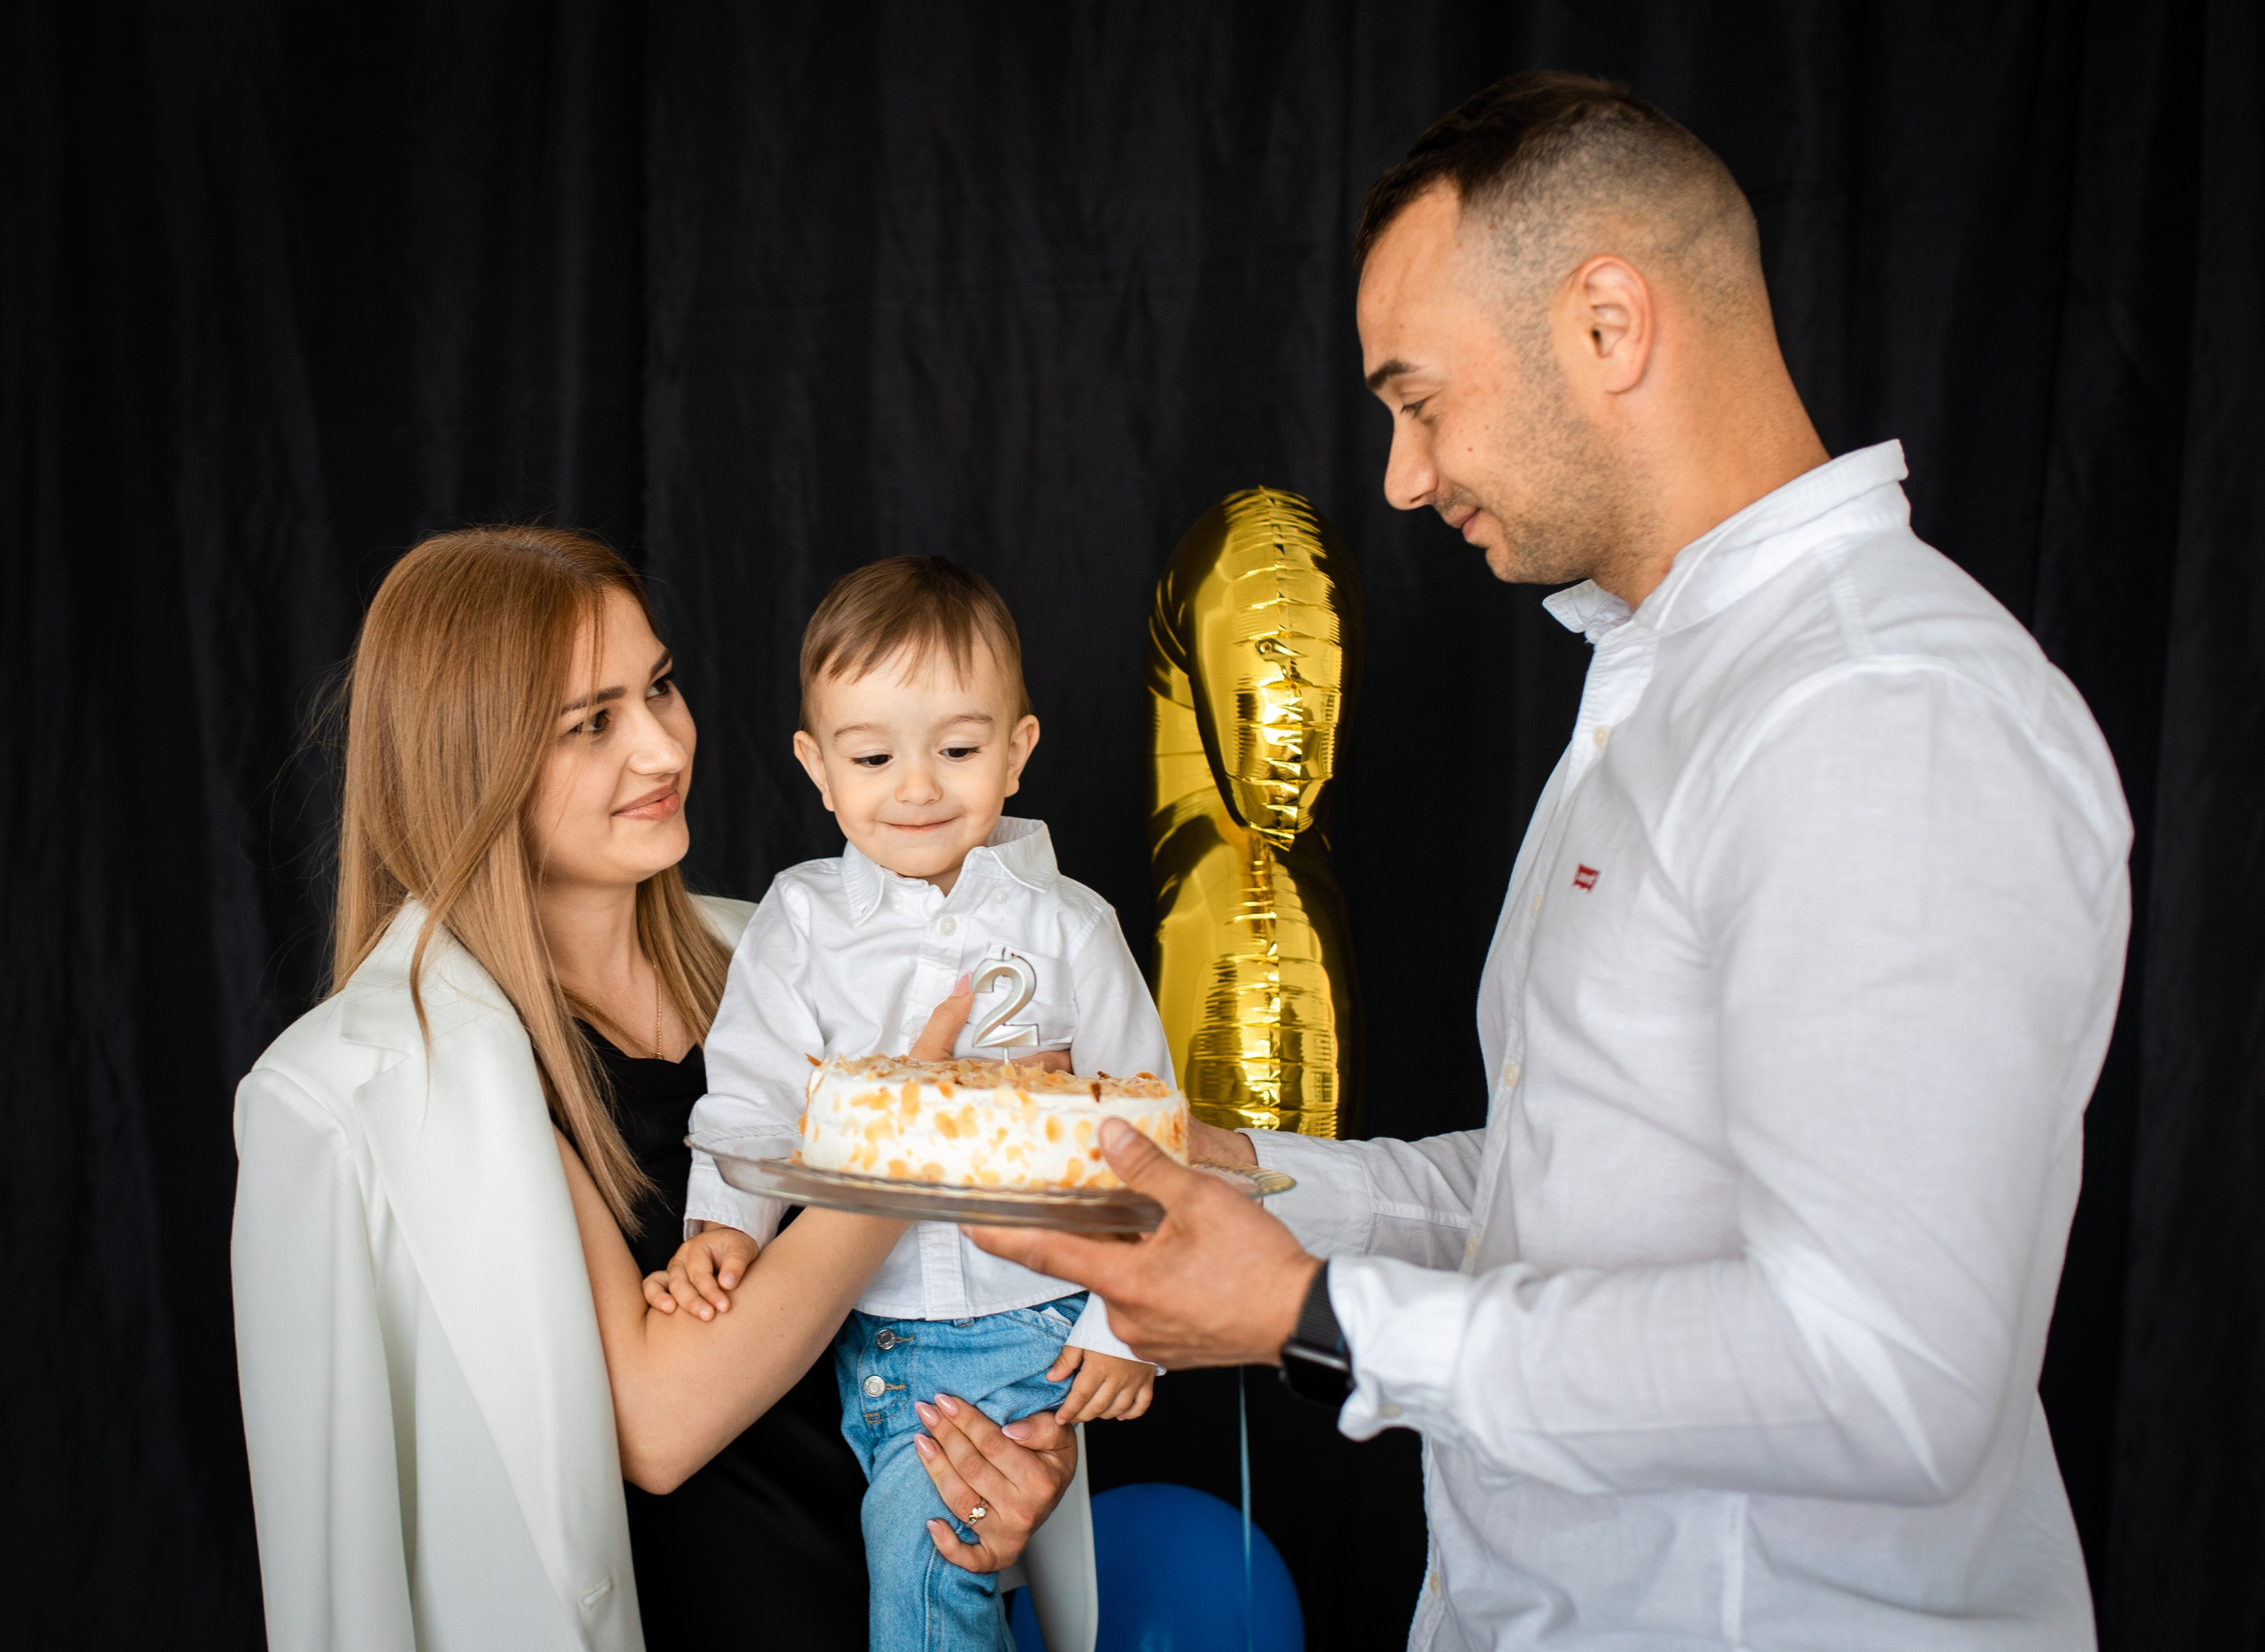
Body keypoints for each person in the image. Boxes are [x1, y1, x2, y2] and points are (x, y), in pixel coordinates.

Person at [973, 72, 2131, 1650]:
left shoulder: (1881, 711)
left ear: (1607, 325)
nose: (1399, 475)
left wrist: (1307, 1312)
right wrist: (1225, 1179)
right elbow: (1562, 1202)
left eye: (1419, 398)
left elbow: (1886, 1374)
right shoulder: (1667, 689)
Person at [231, 526, 1078, 1651]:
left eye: (660, 686)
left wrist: (1006, 1474)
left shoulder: (774, 963)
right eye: (592, 722)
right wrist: (918, 1141)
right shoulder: (395, 1080)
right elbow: (660, 1422)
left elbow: (954, 1307)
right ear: (467, 761)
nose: (662, 746)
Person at [663, 555, 1163, 1650]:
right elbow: (748, 1101)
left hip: (1023, 1329)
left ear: (1019, 751)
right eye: (875, 755)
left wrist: (1126, 1326)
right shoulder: (799, 923)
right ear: (817, 767)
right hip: (850, 1328)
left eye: (959, 748)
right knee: (885, 1577)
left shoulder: (1071, 927)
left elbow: (1141, 1143)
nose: (919, 787)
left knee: (926, 1578)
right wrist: (720, 1232)